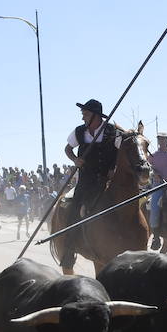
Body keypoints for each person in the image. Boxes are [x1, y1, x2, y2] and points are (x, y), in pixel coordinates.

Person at [63, 98, 115, 247]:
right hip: (86, 180)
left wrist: (113, 168)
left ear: (95, 115)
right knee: (74, 208)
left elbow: (121, 151)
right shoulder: (79, 131)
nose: (82, 117)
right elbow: (68, 149)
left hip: (107, 178)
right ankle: (70, 246)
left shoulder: (111, 131)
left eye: (85, 114)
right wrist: (75, 160)